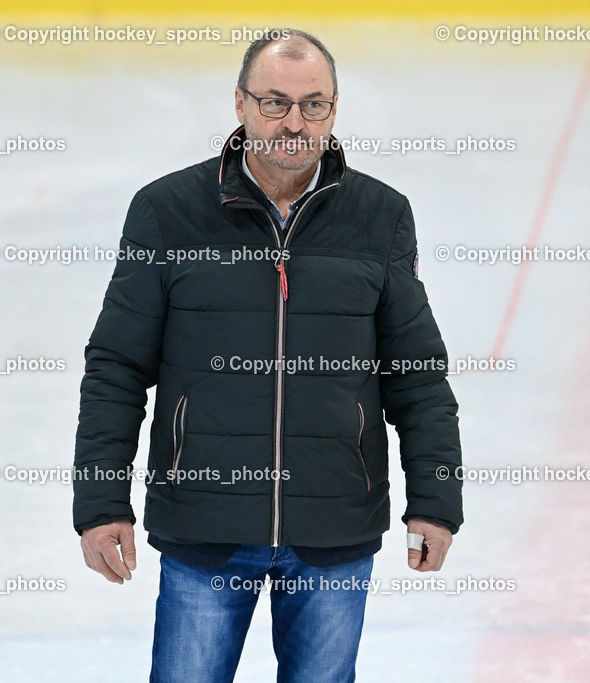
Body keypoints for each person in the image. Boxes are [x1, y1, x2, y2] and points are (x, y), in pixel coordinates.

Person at [73, 28, 463, 682]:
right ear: (240, 104)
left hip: (334, 530)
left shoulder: (381, 216)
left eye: (313, 105)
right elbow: (116, 367)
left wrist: (436, 501)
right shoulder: (167, 212)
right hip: (206, 526)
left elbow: (418, 376)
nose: (293, 122)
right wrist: (100, 501)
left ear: (333, 109)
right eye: (274, 102)